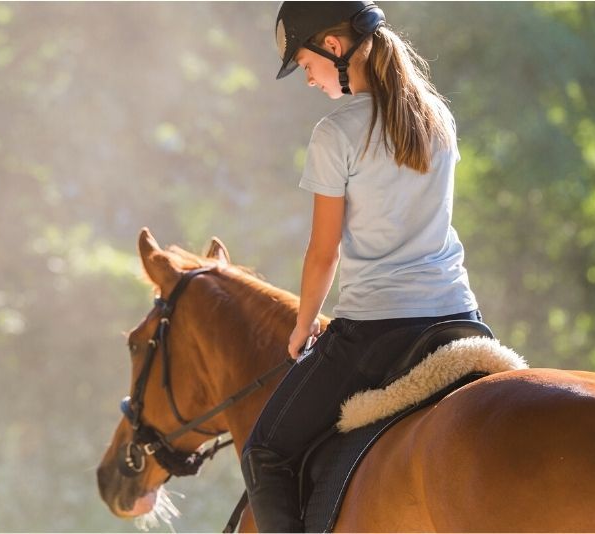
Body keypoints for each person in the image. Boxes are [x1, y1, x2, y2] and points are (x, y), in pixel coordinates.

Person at [240, 2, 483, 531]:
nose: (308, 80)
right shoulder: (438, 117)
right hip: (460, 318)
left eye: (306, 65)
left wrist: (304, 327)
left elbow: (323, 251)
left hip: (379, 330)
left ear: (334, 48)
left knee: (264, 451)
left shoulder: (336, 132)